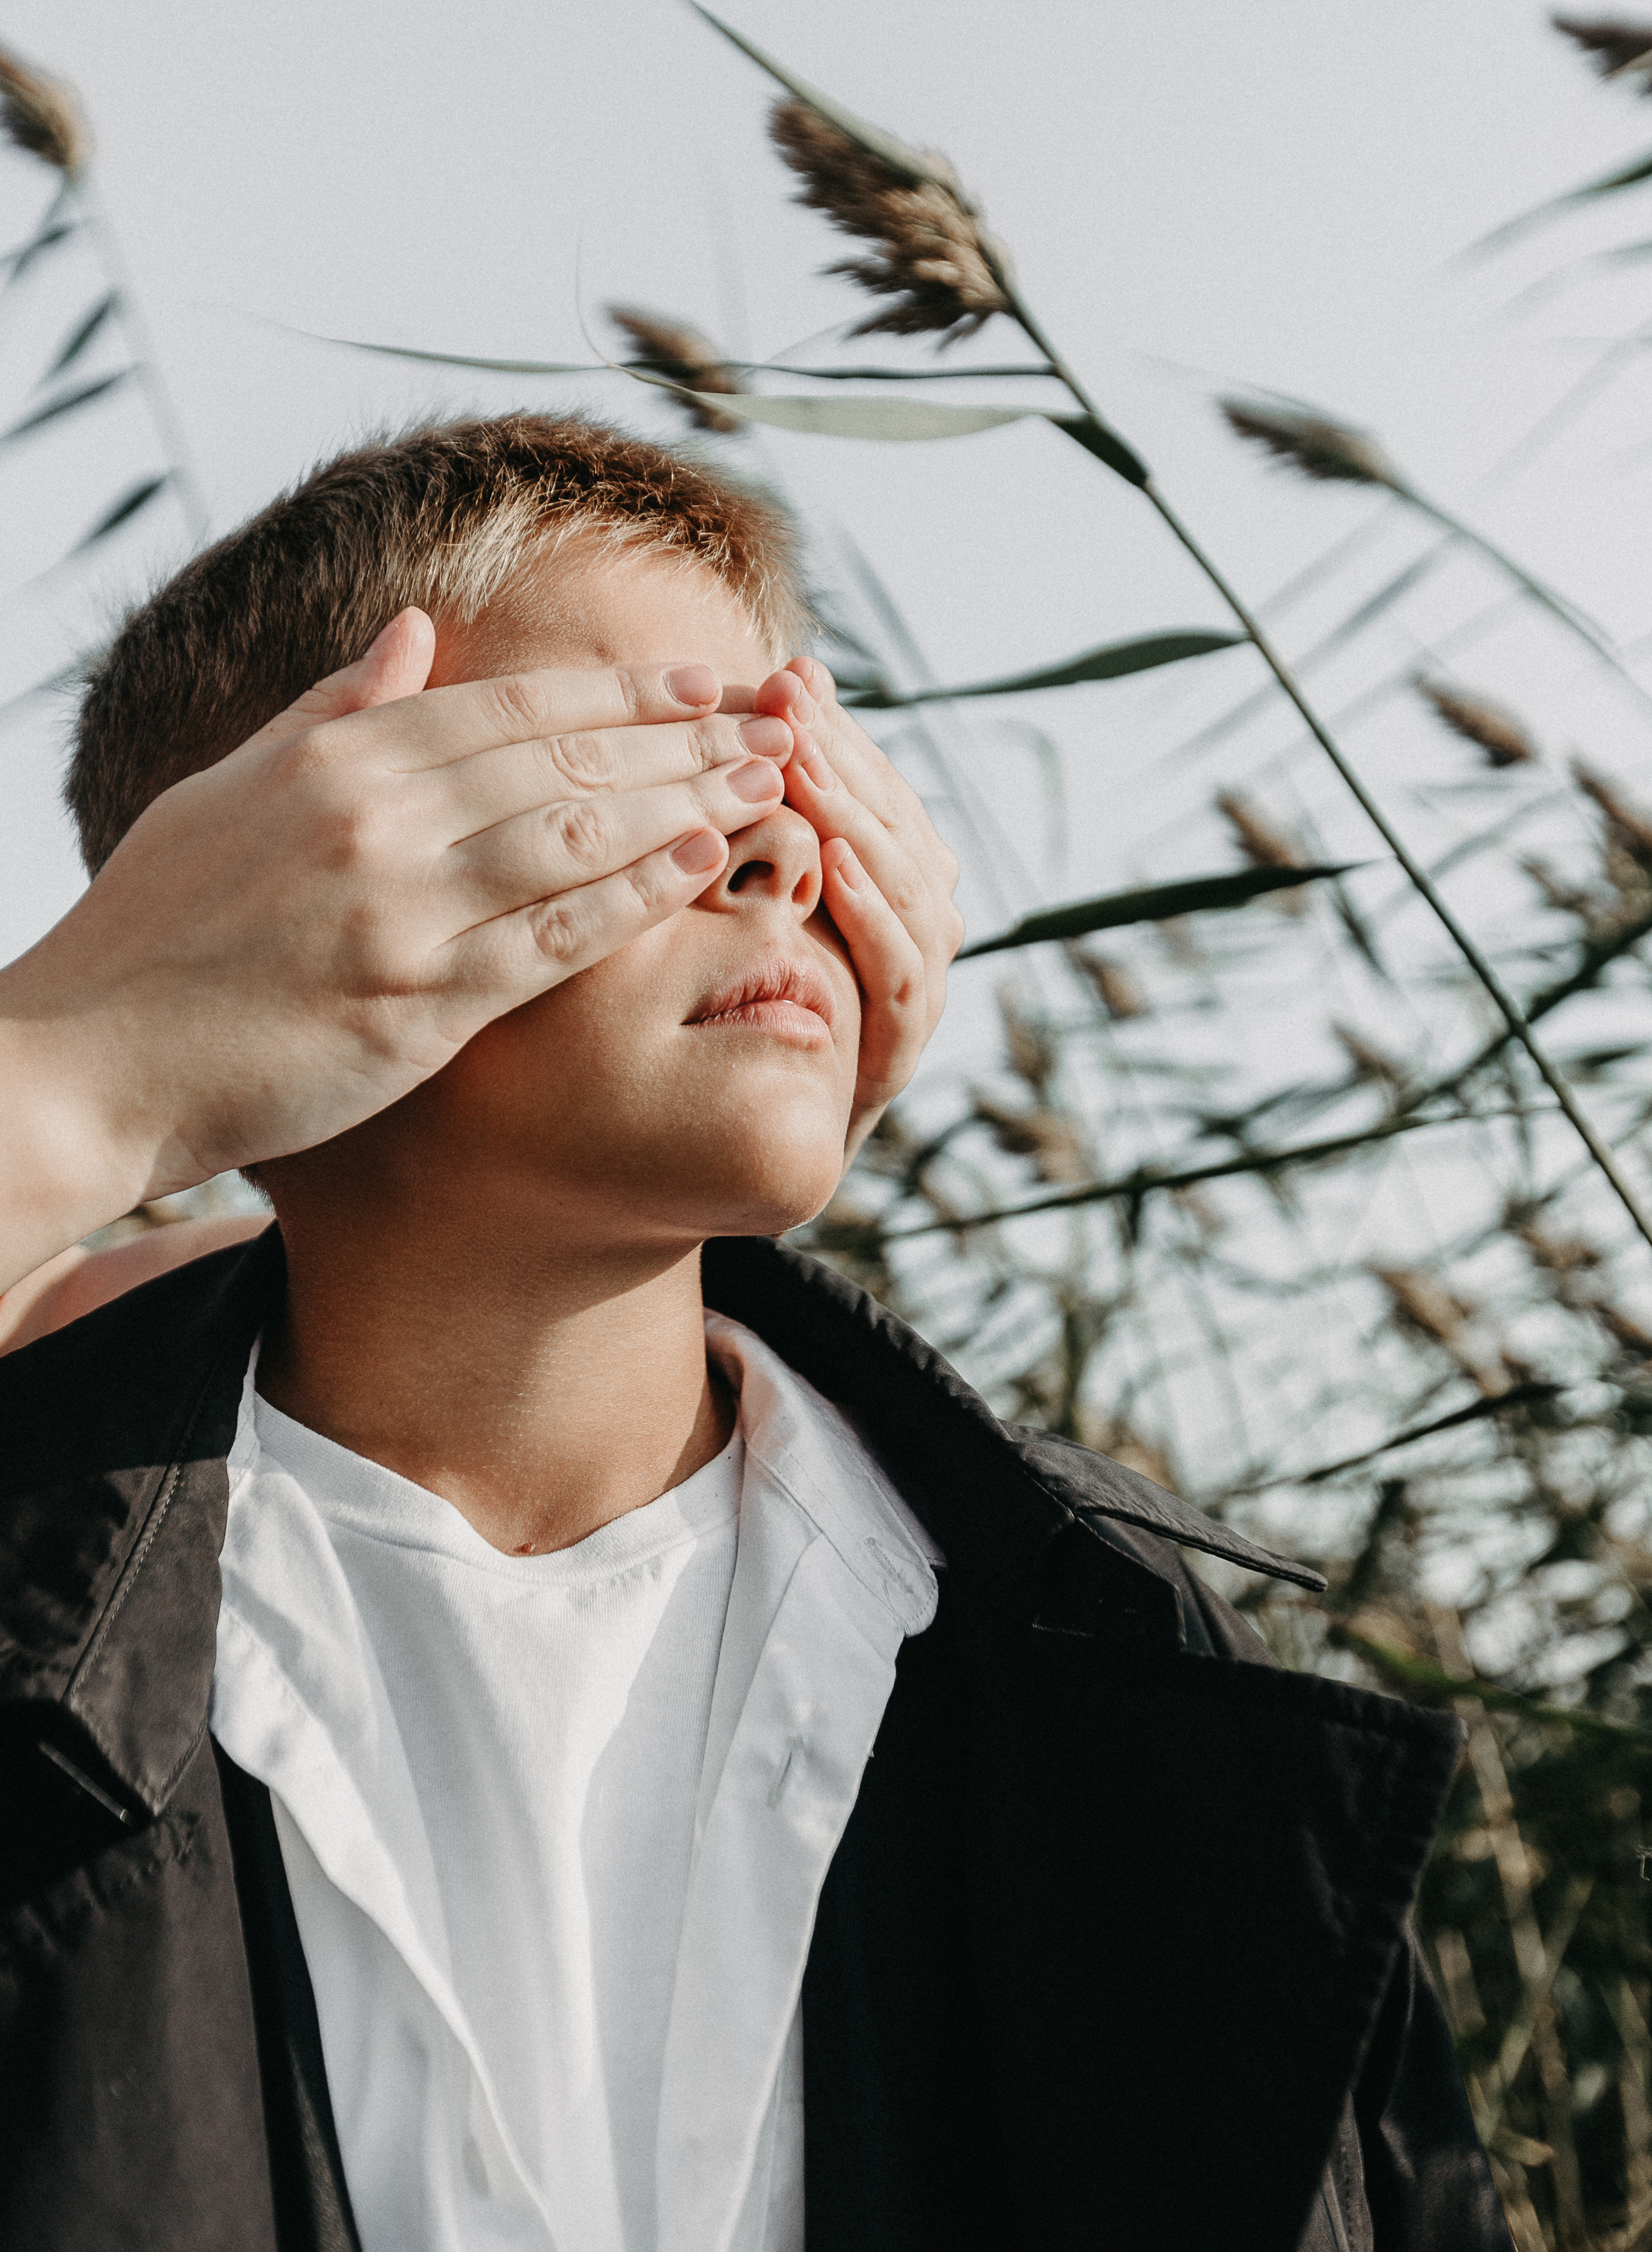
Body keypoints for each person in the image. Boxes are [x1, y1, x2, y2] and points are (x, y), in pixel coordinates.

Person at [0, 414, 1510, 2252]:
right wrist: (79, 1077)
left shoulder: (1125, 1658)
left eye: (790, 771)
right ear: (266, 883)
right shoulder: (38, 1599)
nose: (777, 857)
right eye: (627, 778)